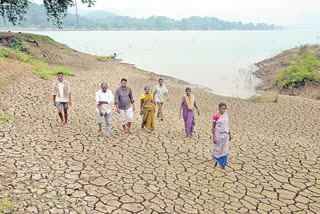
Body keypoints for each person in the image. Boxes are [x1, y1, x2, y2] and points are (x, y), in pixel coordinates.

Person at [212, 102, 232, 170]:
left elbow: (227, 125)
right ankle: (215, 156)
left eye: (225, 108)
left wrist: (230, 134)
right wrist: (214, 137)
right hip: (218, 134)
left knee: (224, 150)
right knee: (217, 148)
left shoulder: (226, 115)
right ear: (219, 108)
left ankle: (223, 164)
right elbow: (213, 127)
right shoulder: (215, 116)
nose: (224, 110)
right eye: (222, 108)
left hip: (225, 135)